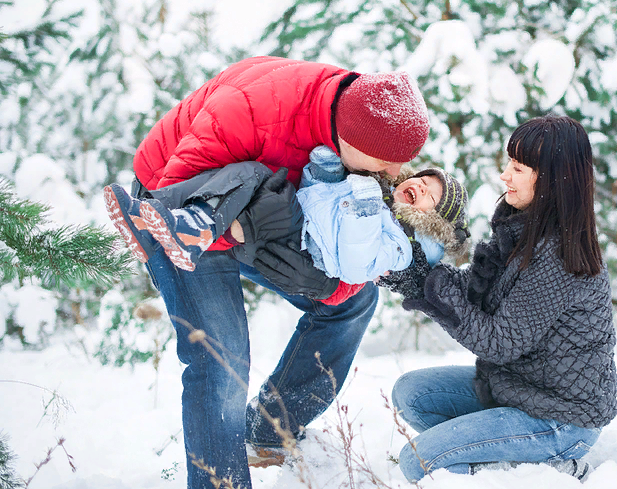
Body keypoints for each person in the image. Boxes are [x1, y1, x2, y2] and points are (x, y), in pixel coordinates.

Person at [105, 56, 431, 489]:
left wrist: (330, 287)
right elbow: (177, 208)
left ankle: (269, 430)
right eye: (387, 160)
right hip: (177, 202)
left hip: (263, 205)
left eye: (404, 160)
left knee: (353, 299)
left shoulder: (364, 124)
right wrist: (247, 234)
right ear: (346, 138)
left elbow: (352, 245)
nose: (396, 172)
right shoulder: (254, 110)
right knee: (221, 355)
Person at [377, 115, 617, 482]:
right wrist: (416, 278)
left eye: (518, 168)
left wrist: (429, 287)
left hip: (559, 419)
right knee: (411, 394)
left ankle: (547, 468)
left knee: (418, 462)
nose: (504, 175)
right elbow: (477, 290)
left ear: (552, 180)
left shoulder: (560, 257)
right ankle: (494, 446)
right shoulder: (523, 225)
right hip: (515, 389)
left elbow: (498, 342)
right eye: (509, 163)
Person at [105, 145, 471, 289]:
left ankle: (191, 230)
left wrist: (364, 207)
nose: (421, 187)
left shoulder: (399, 245)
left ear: (432, 222)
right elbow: (323, 200)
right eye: (423, 180)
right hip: (302, 222)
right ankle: (155, 209)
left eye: (432, 197)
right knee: (250, 173)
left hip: (304, 247)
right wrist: (323, 173)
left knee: (263, 193)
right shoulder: (375, 192)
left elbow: (357, 265)